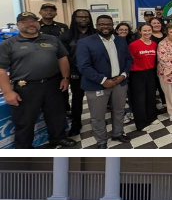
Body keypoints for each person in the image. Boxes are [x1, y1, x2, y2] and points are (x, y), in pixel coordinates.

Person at [0, 11, 73, 149]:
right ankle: (24, 148)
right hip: (26, 88)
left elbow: (62, 59)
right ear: (18, 25)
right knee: (24, 120)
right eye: (25, 21)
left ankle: (58, 138)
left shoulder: (51, 39)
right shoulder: (8, 44)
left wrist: (65, 78)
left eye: (33, 21)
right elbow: (1, 70)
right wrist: (7, 92)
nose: (30, 24)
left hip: (53, 84)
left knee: (56, 115)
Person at [76, 14, 132, 148]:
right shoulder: (85, 42)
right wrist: (103, 80)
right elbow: (84, 67)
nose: (105, 27)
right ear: (96, 26)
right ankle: (101, 141)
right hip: (97, 85)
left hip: (119, 82)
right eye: (102, 24)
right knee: (97, 115)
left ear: (113, 26)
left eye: (108, 24)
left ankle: (117, 133)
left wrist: (123, 75)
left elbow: (128, 59)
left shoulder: (120, 40)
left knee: (119, 110)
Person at [64, 9, 94, 136]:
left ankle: (98, 120)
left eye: (86, 17)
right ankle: (76, 124)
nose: (83, 19)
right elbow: (63, 57)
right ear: (74, 18)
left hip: (94, 72)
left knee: (96, 98)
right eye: (80, 17)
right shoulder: (66, 35)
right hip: (76, 72)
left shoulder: (95, 33)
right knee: (77, 99)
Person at [128, 23, 160, 131]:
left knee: (151, 96)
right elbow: (129, 60)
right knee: (139, 99)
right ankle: (141, 123)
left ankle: (152, 117)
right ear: (140, 31)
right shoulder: (134, 45)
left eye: (149, 30)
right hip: (137, 74)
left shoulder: (154, 44)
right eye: (144, 31)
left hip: (150, 72)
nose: (147, 33)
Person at [149, 16, 166, 109]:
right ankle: (152, 107)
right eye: (154, 23)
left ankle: (165, 103)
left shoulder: (165, 35)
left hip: (164, 65)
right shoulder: (148, 35)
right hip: (151, 65)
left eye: (158, 23)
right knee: (152, 87)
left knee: (163, 86)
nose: (156, 25)